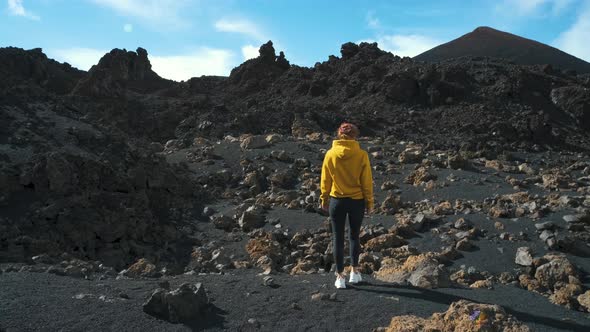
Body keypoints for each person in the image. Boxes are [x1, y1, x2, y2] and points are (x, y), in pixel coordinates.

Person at [320, 122, 374, 289]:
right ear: (355, 136)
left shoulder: (330, 154)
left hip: (337, 201)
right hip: (357, 201)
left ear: (339, 135)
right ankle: (355, 272)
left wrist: (324, 198)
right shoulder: (361, 154)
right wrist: (369, 201)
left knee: (337, 237)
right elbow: (366, 181)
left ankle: (339, 277)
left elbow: (325, 179)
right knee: (354, 236)